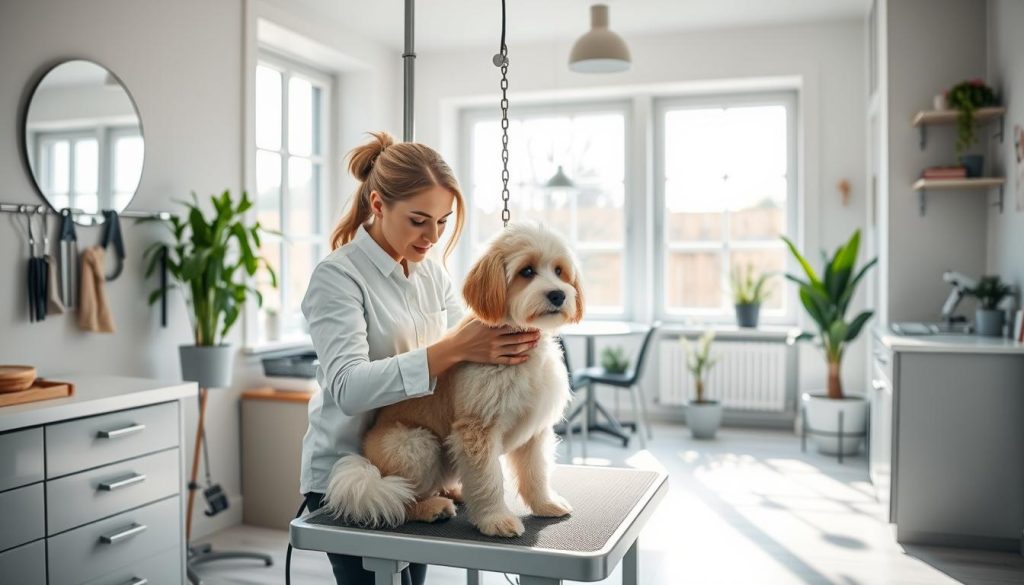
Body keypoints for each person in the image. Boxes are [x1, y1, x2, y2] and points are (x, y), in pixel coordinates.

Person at [299, 131, 540, 585]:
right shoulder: (338, 277)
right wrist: (452, 349)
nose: (432, 236)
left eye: (443, 222)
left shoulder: (431, 273)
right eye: (418, 220)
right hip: (354, 474)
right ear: (377, 204)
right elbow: (348, 389)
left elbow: (466, 357)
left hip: (423, 474)